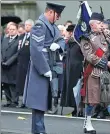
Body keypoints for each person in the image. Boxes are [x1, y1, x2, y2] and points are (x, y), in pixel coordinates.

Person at [23, 2, 65, 134]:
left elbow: (61, 39)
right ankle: (39, 130)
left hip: (49, 66)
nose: (58, 18)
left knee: (41, 102)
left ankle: (38, 130)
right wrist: (44, 69)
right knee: (38, 102)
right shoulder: (40, 25)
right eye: (57, 14)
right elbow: (36, 50)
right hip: (40, 68)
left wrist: (58, 46)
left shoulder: (51, 26)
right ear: (50, 12)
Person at [60, 24, 84, 116]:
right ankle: (74, 108)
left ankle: (79, 108)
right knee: (71, 89)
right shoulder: (70, 43)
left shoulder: (79, 42)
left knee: (77, 89)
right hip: (69, 68)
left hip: (77, 69)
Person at [16, 19, 34, 108]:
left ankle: (27, 102)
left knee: (28, 83)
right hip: (20, 62)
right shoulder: (21, 36)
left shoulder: (33, 37)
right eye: (26, 25)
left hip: (28, 63)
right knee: (21, 83)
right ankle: (22, 101)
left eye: (29, 25)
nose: (26, 27)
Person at [1, 23, 19, 107]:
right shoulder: (5, 39)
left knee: (12, 84)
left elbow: (17, 53)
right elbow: (1, 50)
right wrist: (1, 61)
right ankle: (8, 101)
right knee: (5, 83)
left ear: (16, 30)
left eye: (13, 29)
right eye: (10, 29)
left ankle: (14, 101)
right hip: (3, 65)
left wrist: (8, 62)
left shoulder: (19, 40)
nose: (11, 31)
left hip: (12, 65)